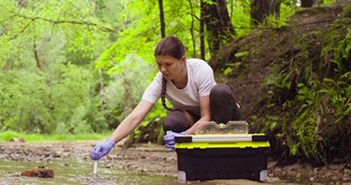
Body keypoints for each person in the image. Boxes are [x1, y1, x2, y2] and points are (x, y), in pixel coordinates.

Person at [91, 36, 241, 160]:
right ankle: (194, 160)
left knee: (221, 91)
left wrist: (184, 136)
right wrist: (111, 141)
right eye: (159, 64)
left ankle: (225, 155)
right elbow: (135, 117)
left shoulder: (200, 70)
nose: (163, 69)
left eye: (168, 64)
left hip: (221, 116)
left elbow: (207, 116)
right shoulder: (160, 80)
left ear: (182, 60)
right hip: (195, 120)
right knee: (171, 122)